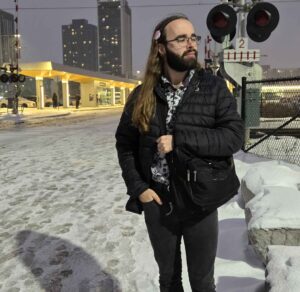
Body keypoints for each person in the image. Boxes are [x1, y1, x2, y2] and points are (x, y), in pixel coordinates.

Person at [115, 14, 244, 292]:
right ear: (161, 48)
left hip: (200, 201)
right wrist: (139, 189)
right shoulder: (141, 95)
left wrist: (180, 140)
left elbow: (234, 137)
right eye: (181, 39)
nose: (191, 44)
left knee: (202, 282)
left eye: (193, 37)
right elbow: (125, 143)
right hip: (158, 201)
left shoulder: (213, 87)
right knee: (168, 280)